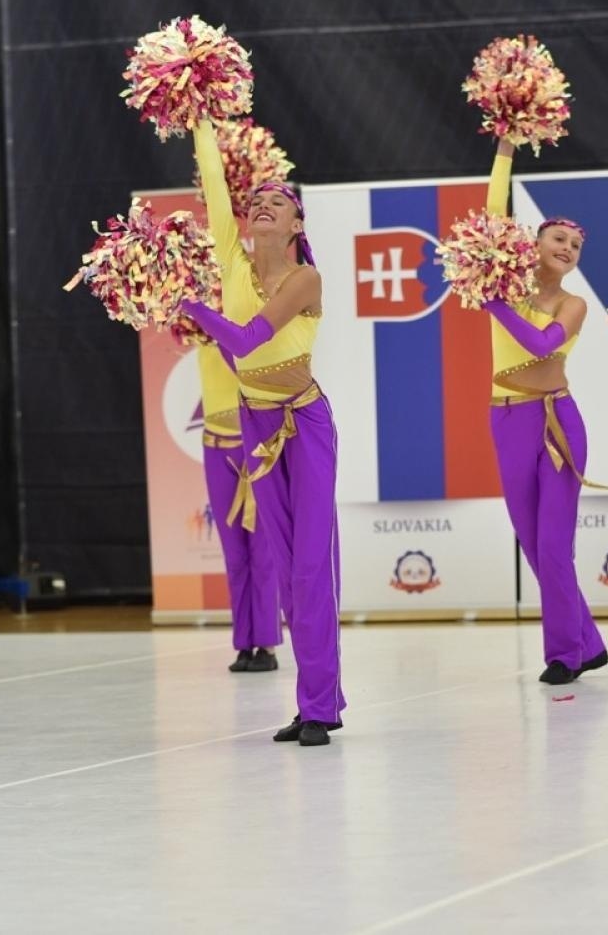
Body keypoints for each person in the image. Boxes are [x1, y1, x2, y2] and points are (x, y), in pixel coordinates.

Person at [183, 119, 345, 746]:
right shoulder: (232, 260)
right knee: (280, 566)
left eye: (277, 203)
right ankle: (308, 706)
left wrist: (194, 308)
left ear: (297, 224)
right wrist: (199, 115)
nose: (261, 207)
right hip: (255, 421)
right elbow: (218, 186)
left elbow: (250, 338)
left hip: (303, 423)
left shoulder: (306, 278)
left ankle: (322, 705)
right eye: (258, 203)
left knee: (310, 567)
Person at [481, 139, 608, 685]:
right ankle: (589, 642)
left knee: (554, 544)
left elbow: (539, 345)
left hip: (557, 423)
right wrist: (506, 148)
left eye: (577, 245)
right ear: (531, 244)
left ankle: (564, 655)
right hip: (507, 420)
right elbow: (491, 216)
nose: (569, 248)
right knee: (534, 545)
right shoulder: (503, 280)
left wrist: (493, 303)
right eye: (559, 238)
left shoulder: (572, 304)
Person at [195, 341, 280, 672]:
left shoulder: (247, 324)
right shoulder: (196, 324)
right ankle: (244, 643)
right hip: (215, 447)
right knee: (234, 552)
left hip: (253, 444)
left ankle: (267, 645)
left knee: (262, 550)